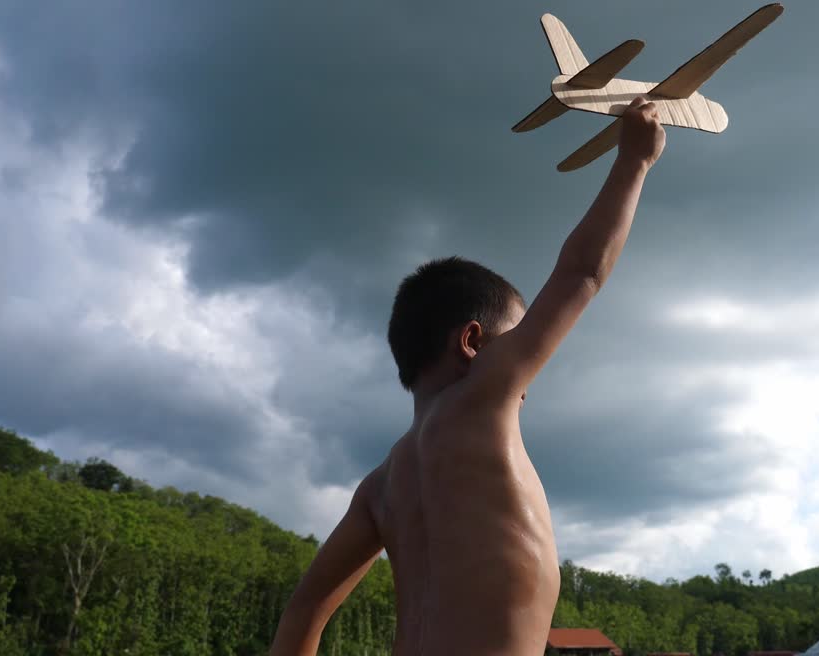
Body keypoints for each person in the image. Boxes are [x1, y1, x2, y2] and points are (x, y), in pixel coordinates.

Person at [269, 96, 666, 656]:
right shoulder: (482, 397)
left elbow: (306, 609)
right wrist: (635, 162)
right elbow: (581, 273)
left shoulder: (380, 487)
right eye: (519, 338)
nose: (529, 370)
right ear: (473, 343)